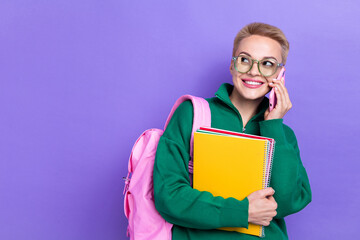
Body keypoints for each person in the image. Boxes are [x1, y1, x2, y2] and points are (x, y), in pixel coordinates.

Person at [153, 22, 312, 240]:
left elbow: (286, 203)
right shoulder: (191, 114)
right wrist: (243, 212)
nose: (254, 71)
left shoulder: (284, 135)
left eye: (267, 63)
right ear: (232, 65)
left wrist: (273, 126)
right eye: (245, 60)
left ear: (280, 74)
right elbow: (168, 196)